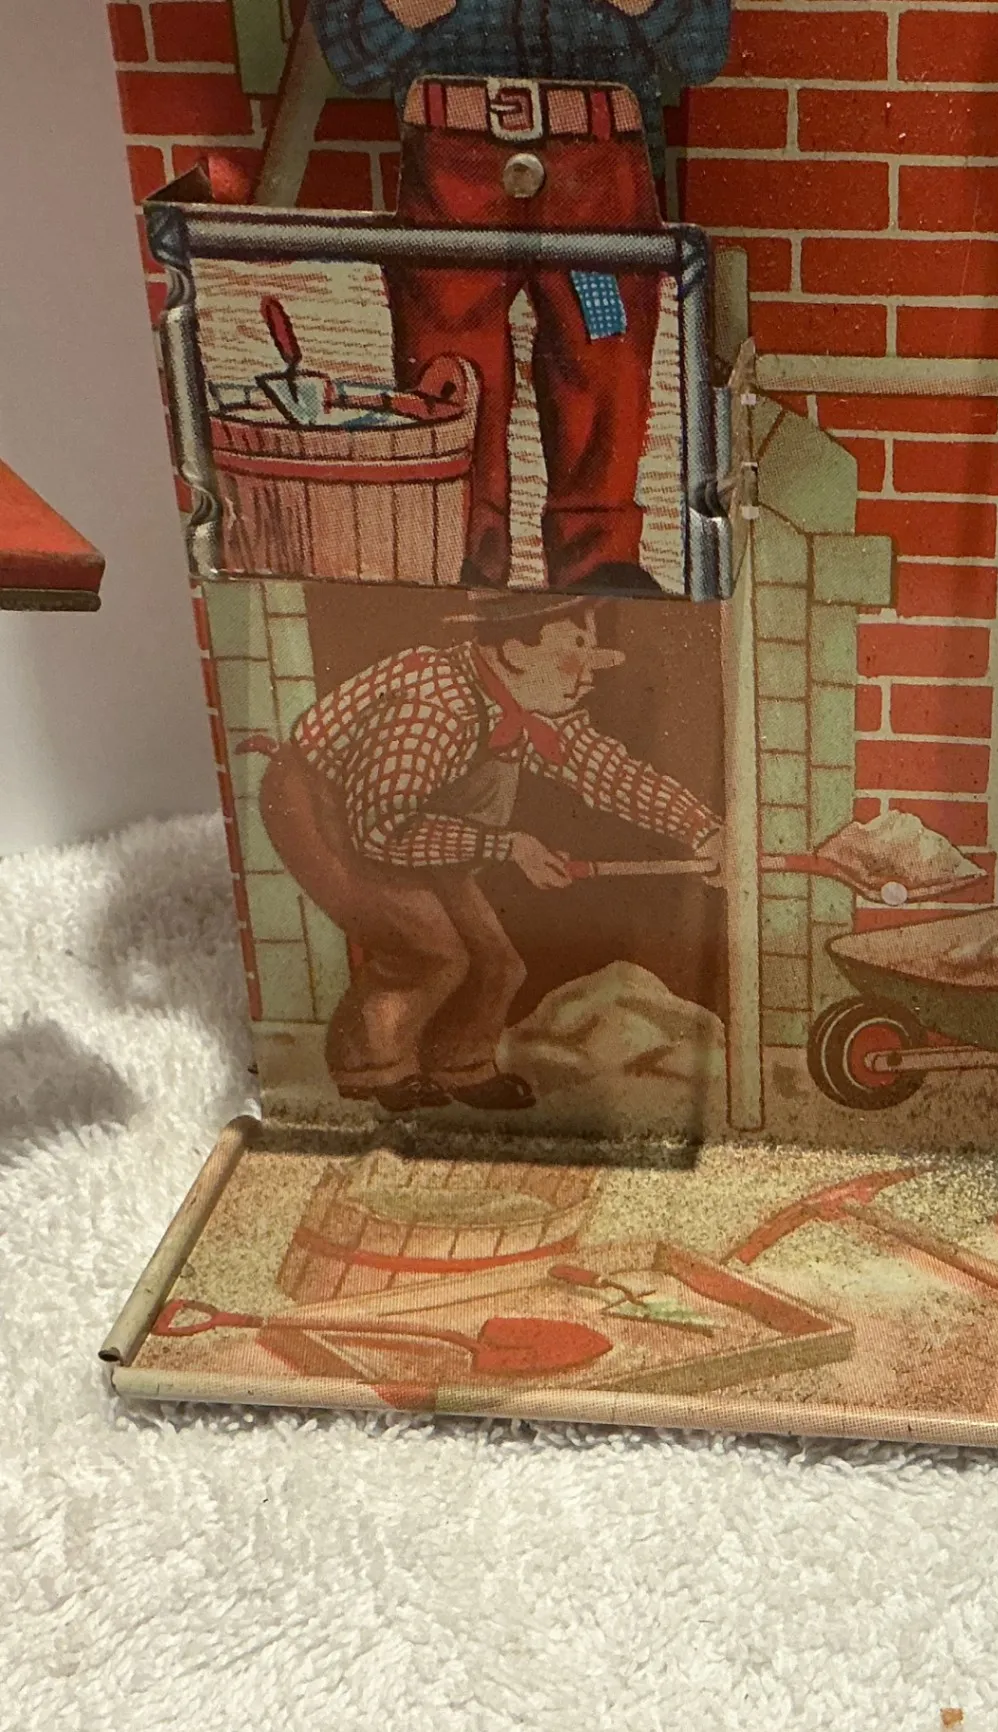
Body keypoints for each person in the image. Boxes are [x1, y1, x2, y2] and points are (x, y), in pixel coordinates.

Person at [311, 1, 735, 590]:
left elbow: (703, 48)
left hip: (595, 161)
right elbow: (348, 51)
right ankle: (461, 546)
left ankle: (599, 557)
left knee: (603, 346)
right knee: (448, 358)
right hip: (452, 150)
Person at [260, 594, 724, 1113]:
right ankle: (368, 1064)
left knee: (496, 962)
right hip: (327, 807)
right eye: (574, 650)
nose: (590, 673)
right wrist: (509, 846)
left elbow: (610, 774)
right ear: (515, 652)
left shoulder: (527, 702)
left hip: (424, 819)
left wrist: (703, 831)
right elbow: (382, 829)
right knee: (431, 950)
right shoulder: (434, 704)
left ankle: (460, 1064)